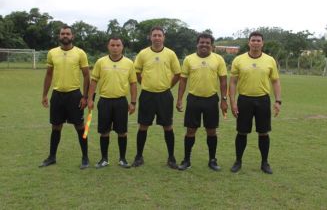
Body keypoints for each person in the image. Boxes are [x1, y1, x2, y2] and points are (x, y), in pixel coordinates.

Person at [229, 31, 282, 174]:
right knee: (242, 132)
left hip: (263, 100)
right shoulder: (239, 60)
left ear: (262, 43)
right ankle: (238, 161)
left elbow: (275, 81)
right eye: (253, 40)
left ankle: (265, 163)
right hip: (244, 99)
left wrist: (278, 101)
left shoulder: (270, 60)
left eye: (258, 40)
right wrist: (232, 102)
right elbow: (233, 82)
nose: (256, 43)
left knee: (263, 133)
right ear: (249, 42)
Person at [39, 25, 90, 169]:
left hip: (74, 95)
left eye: (68, 33)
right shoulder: (52, 53)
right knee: (56, 126)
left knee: (80, 126)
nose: (65, 36)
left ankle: (85, 157)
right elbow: (49, 74)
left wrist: (85, 97)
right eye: (63, 34)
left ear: (72, 36)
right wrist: (44, 95)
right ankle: (51, 157)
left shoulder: (80, 53)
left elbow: (87, 75)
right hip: (57, 95)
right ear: (59, 36)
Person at [176, 33, 228, 171]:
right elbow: (183, 81)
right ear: (197, 44)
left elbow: (223, 81)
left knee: (211, 131)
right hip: (194, 99)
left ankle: (212, 160)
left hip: (211, 99)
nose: (204, 45)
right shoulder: (188, 59)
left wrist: (224, 100)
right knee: (190, 131)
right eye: (202, 42)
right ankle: (186, 160)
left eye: (207, 43)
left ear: (212, 45)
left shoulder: (218, 59)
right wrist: (179, 99)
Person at [132, 26, 181, 169]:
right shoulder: (143, 53)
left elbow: (177, 74)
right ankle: (139, 156)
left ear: (164, 37)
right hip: (147, 95)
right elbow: (137, 72)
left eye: (160, 35)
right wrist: (146, 84)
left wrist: (167, 86)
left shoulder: (171, 54)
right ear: (150, 37)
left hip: (164, 95)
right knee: (143, 125)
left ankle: (171, 158)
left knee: (168, 126)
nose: (157, 38)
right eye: (154, 35)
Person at [87, 37, 137, 169]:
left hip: (121, 102)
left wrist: (133, 102)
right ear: (108, 47)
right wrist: (90, 99)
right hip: (104, 101)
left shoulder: (129, 63)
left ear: (122, 47)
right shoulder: (100, 62)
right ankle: (104, 159)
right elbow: (94, 81)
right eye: (112, 45)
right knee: (104, 131)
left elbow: (133, 83)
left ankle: (122, 159)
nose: (115, 47)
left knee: (122, 132)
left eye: (118, 45)